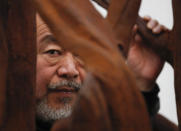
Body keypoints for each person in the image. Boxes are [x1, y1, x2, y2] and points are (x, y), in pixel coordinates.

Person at [35, 14, 176, 130]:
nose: (71, 70)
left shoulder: (154, 125)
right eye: (53, 52)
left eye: (82, 54)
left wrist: (139, 86)